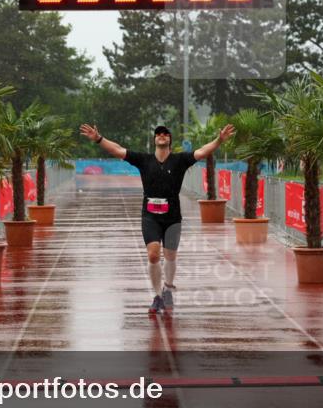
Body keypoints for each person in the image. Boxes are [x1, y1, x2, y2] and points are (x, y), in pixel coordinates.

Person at [80, 122, 235, 313]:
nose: (161, 135)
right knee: (153, 255)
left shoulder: (180, 160)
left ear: (170, 139)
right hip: (150, 216)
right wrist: (98, 139)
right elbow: (117, 150)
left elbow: (202, 151)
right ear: (154, 139)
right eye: (158, 133)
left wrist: (219, 140)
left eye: (165, 133)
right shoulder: (144, 160)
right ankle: (157, 296)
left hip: (173, 217)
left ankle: (168, 287)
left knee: (170, 256)